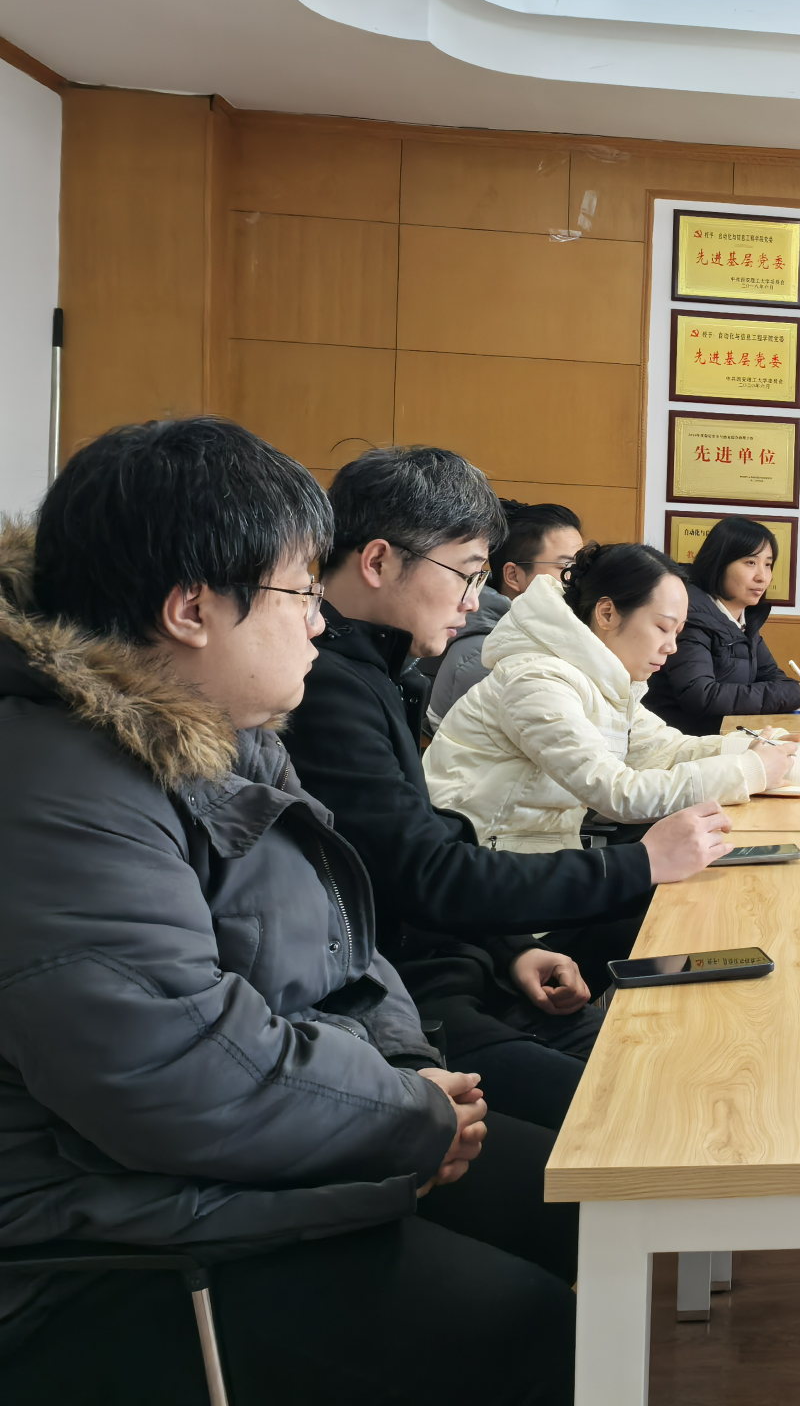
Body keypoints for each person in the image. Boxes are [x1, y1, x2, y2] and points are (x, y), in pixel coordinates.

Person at [0, 418, 570, 1405]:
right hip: (93, 1244)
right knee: (522, 1326)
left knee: (565, 1198)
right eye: (301, 591)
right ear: (191, 609)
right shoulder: (58, 786)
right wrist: (409, 1115)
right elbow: (176, 1074)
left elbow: (346, 949)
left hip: (232, 1162)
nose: (317, 621)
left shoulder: (234, 733)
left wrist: (405, 1072)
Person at [284, 446, 733, 1132]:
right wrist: (641, 862)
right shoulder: (326, 690)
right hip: (410, 1001)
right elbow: (426, 877)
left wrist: (511, 948)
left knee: (678, 1070)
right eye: (467, 575)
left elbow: (410, 859)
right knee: (647, 1114)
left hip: (463, 956)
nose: (475, 601)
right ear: (376, 561)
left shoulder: (377, 673)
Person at [425, 541, 800, 854]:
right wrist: (749, 770)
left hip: (538, 858)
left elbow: (665, 750)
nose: (671, 647)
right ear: (606, 613)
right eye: (663, 628)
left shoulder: (604, 677)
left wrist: (768, 750)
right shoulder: (537, 680)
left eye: (678, 633)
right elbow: (617, 793)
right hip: (486, 867)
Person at [646, 515, 800, 734]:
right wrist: (791, 694)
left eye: (768, 565)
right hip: (685, 741)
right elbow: (701, 695)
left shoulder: (742, 619)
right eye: (751, 563)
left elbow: (770, 674)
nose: (762, 577)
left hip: (726, 736)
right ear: (719, 563)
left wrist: (796, 692)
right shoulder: (690, 618)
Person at [420, 500, 583, 737]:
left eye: (580, 569)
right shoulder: (484, 656)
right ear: (513, 575)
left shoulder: (538, 637)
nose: (577, 581)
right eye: (566, 568)